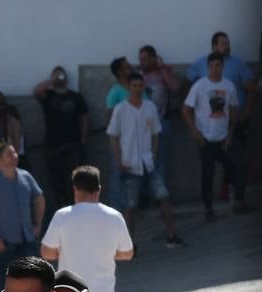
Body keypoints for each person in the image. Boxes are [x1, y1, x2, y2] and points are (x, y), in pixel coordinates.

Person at [39, 166, 136, 292]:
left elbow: (46, 252)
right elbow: (128, 253)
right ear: (99, 189)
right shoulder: (114, 217)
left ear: (75, 189)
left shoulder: (63, 216)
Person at [105, 72, 184, 250]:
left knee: (163, 197)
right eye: (134, 86)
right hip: (130, 164)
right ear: (129, 88)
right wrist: (118, 160)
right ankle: (129, 243)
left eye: (140, 86)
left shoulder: (149, 107)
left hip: (148, 161)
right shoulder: (121, 109)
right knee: (131, 205)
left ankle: (171, 235)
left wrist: (154, 154)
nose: (137, 89)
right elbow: (113, 136)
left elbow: (156, 133)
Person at [0, 143, 45, 292]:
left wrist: (38, 224)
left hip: (27, 238)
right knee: (8, 283)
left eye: (14, 153)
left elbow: (39, 199)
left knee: (35, 278)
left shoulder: (25, 176)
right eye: (10, 154)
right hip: (5, 242)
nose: (15, 156)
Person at [184, 53, 246, 220]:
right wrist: (195, 132)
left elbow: (233, 111)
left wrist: (230, 135)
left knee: (239, 165)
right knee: (208, 174)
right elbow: (186, 109)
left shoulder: (229, 86)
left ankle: (238, 202)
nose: (214, 69)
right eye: (211, 66)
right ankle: (208, 209)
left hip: (225, 137)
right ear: (207, 67)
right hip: (206, 138)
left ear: (222, 67)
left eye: (218, 65)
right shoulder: (199, 86)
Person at [34, 66, 90, 214]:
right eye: (57, 75)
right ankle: (62, 211)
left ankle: (78, 210)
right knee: (56, 182)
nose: (59, 77)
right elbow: (37, 91)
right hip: (53, 146)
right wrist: (51, 81)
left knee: (75, 180)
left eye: (61, 75)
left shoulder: (76, 97)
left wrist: (83, 139)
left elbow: (83, 117)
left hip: (73, 145)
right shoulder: (48, 95)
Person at [139, 44, 183, 180]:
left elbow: (175, 87)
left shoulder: (163, 72)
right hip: (142, 125)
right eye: (140, 59)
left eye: (145, 59)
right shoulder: (138, 75)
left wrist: (162, 69)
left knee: (159, 161)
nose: (142, 62)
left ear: (154, 58)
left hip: (161, 123)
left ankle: (160, 196)